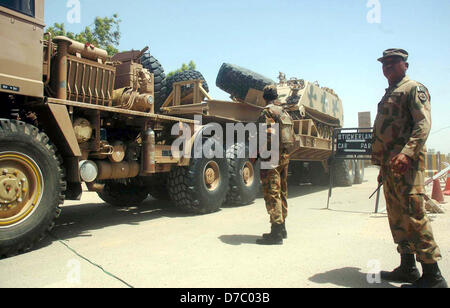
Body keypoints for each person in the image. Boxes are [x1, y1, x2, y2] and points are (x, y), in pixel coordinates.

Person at [372, 48, 447, 288]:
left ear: (405, 65)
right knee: (397, 217)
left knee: (414, 217)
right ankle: (407, 268)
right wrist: (383, 167)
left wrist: (406, 153)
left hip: (408, 167)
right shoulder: (389, 93)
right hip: (391, 167)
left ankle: (433, 276)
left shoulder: (414, 88)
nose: (388, 67)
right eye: (384, 64)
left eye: (393, 63)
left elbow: (423, 125)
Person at [255, 85, 293, 245]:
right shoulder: (285, 112)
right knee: (282, 191)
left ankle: (276, 232)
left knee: (272, 192)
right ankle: (282, 228)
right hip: (284, 156)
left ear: (264, 97)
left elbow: (265, 135)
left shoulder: (267, 112)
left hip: (271, 157)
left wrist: (259, 154)